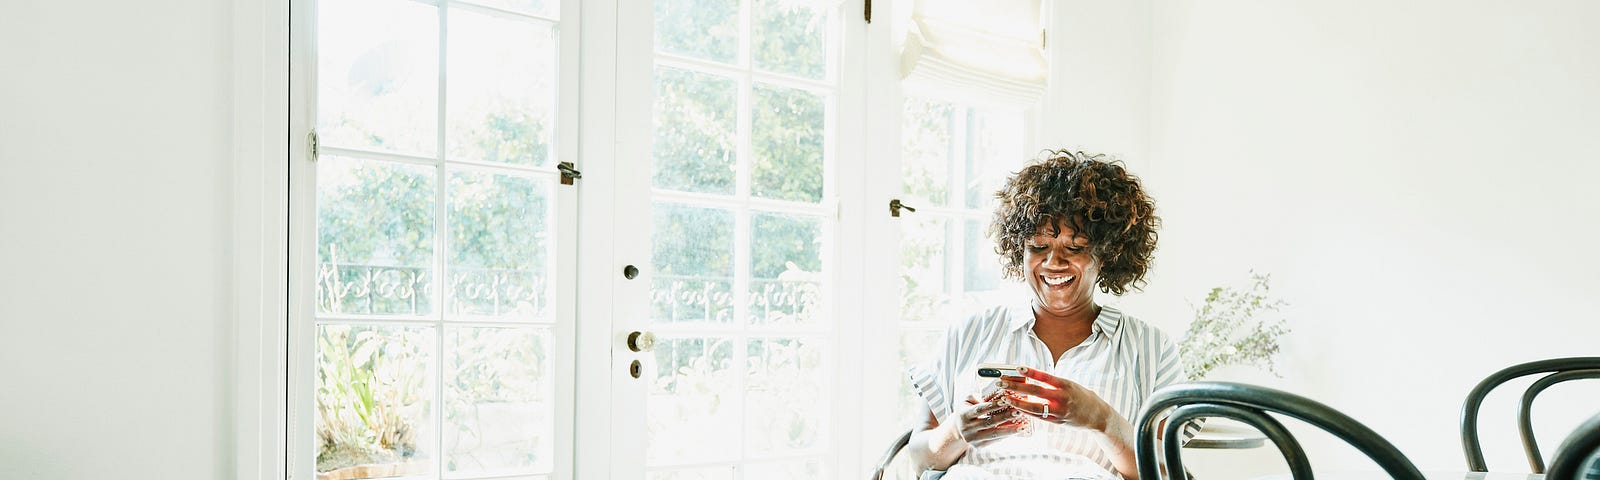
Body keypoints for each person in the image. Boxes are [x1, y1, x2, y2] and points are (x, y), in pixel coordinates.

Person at [902, 150, 1195, 480]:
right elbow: (920, 458)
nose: (1053, 263)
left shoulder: (1150, 348)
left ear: (1109, 252)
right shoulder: (969, 332)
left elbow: (1166, 472)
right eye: (1038, 247)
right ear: (1019, 248)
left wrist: (1100, 419)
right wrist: (957, 431)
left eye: (1074, 248)